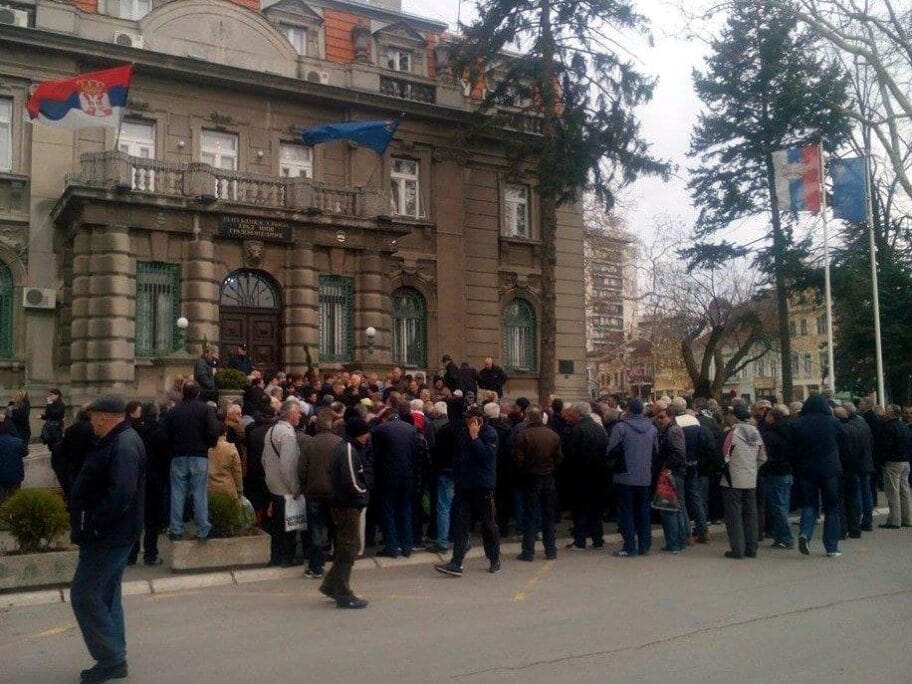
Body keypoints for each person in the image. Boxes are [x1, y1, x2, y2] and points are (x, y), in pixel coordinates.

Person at [69, 396, 145, 684]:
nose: (90, 424)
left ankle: (111, 658)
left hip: (108, 535)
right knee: (106, 594)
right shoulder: (120, 439)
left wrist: (95, 522)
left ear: (103, 417)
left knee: (85, 594)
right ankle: (115, 654)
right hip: (112, 534)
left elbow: (122, 494)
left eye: (92, 418)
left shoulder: (123, 443)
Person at [435, 405, 501, 576]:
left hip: (483, 486)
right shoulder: (462, 433)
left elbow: (485, 456)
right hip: (464, 485)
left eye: (470, 418)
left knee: (488, 524)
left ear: (479, 420)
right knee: (461, 524)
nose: (467, 421)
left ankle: (494, 558)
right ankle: (457, 562)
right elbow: (457, 457)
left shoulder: (489, 433)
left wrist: (475, 438)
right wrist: (457, 477)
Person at [320, 417, 371, 609]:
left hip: (345, 503)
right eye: (366, 432)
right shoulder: (348, 450)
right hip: (347, 505)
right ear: (360, 433)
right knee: (349, 547)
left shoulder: (346, 447)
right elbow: (351, 480)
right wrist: (363, 494)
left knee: (347, 546)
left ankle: (331, 584)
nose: (368, 436)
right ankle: (342, 592)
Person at [161, 381, 220, 541]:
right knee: (200, 493)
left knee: (177, 492)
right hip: (199, 455)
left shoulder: (173, 411)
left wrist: (172, 446)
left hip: (178, 455)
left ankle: (176, 529)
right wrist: (209, 444)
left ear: (182, 393)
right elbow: (214, 430)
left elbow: (163, 434)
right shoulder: (205, 409)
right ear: (198, 394)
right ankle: (202, 529)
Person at [790, 394, 843, 557]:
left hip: (807, 470)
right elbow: (843, 439)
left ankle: (805, 533)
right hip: (830, 470)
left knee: (810, 504)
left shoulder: (798, 424)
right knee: (832, 508)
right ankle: (832, 547)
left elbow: (793, 447)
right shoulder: (833, 422)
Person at [606, 399, 657, 557]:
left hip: (624, 476)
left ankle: (629, 546)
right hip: (645, 476)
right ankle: (644, 545)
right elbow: (656, 452)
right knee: (643, 511)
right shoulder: (652, 429)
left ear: (628, 409)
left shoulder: (620, 427)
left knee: (626, 511)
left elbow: (611, 450)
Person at [512, 407, 562, 561]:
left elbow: (518, 460)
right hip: (548, 477)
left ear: (528, 418)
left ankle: (528, 551)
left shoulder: (523, 435)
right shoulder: (553, 435)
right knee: (548, 515)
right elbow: (559, 458)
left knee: (530, 515)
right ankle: (551, 550)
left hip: (531, 477)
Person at [371, 402, 419, 558]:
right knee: (405, 510)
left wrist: (377, 418)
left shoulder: (380, 429)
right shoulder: (411, 429)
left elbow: (375, 455)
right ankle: (407, 546)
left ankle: (392, 547)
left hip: (388, 477)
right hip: (407, 476)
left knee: (389, 511)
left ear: (384, 417)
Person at [719, 404, 767, 559]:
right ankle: (752, 548)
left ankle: (738, 549)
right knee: (751, 514)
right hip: (751, 478)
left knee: (734, 516)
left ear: (734, 417)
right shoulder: (756, 433)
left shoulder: (731, 434)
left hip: (732, 479)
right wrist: (753, 469)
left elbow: (724, 455)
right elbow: (762, 457)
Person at [299, 408, 341, 579]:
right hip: (335, 493)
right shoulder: (340, 442)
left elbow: (301, 469)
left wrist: (304, 485)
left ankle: (316, 566)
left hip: (314, 493)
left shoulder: (310, 443)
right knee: (336, 529)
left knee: (316, 530)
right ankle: (339, 566)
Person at [262, 399, 303, 567]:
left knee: (276, 526)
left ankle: (276, 557)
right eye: (298, 412)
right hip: (285, 487)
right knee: (289, 526)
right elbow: (289, 465)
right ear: (291, 414)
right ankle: (287, 558)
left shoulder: (271, 430)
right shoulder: (287, 434)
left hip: (273, 485)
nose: (300, 415)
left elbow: (264, 459)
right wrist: (295, 488)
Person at [563, 402, 609, 550]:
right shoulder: (599, 429)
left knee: (580, 509)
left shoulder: (576, 430)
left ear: (578, 413)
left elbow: (570, 454)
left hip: (580, 476)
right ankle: (597, 539)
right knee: (596, 509)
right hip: (599, 474)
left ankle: (580, 541)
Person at [127, 402, 168, 567]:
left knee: (135, 518)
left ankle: (131, 555)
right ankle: (150, 555)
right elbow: (166, 458)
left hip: (136, 479)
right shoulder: (160, 433)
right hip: (155, 480)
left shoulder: (133, 431)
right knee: (152, 521)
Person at [655, 408, 689, 554]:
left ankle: (675, 542)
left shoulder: (673, 431)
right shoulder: (671, 430)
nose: (659, 420)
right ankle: (676, 542)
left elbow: (679, 454)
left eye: (662, 417)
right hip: (673, 472)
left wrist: (667, 466)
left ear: (670, 416)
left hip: (672, 473)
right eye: (658, 418)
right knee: (673, 508)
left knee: (670, 509)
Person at [760, 405, 794, 549]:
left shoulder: (770, 435)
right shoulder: (790, 430)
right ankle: (780, 536)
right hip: (787, 471)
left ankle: (785, 537)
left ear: (773, 418)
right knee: (782, 505)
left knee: (778, 507)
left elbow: (765, 455)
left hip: (774, 472)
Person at [878, 405, 912, 529]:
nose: (885, 413)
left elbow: (885, 447)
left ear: (891, 413)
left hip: (893, 462)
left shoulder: (889, 428)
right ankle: (907, 518)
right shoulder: (904, 426)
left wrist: (882, 461)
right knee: (905, 490)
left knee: (893, 492)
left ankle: (894, 520)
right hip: (906, 462)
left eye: (887, 412)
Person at [51, 407, 95, 500]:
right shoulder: (94, 429)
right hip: (86, 467)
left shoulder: (71, 429)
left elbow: (64, 449)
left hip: (73, 466)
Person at [207, 418, 244, 499]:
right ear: (225, 433)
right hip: (228, 490)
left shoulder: (207, 448)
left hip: (209, 490)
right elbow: (237, 472)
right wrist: (240, 491)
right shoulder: (231, 448)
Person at [0, 415, 27, 504]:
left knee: (3, 501)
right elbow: (25, 452)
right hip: (15, 476)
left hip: (1, 477)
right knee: (15, 501)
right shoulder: (17, 442)